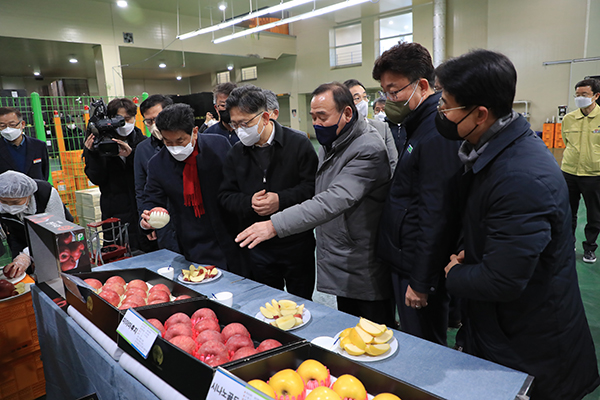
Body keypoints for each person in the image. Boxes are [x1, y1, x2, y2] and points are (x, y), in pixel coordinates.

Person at [439, 49, 600, 400]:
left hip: (532, 345)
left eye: (446, 105)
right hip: (504, 329)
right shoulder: (490, 153)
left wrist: (453, 274)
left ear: (479, 114)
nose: (441, 112)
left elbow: (503, 280)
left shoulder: (520, 176)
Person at [236, 82, 394, 326]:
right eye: (313, 117)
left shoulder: (367, 148)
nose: (317, 124)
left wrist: (274, 225)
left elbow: (330, 200)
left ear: (347, 113)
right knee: (349, 330)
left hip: (363, 262)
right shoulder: (335, 142)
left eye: (323, 116)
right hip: (343, 259)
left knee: (372, 332)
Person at [373, 42, 462, 346]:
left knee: (423, 345)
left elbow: (436, 214)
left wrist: (421, 281)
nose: (388, 100)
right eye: (385, 92)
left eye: (394, 91)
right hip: (405, 259)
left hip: (416, 267)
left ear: (422, 85)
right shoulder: (419, 125)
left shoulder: (436, 133)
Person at [219, 85, 318, 299]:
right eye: (235, 124)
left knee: (301, 303)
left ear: (265, 117)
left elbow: (312, 189)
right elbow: (225, 196)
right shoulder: (235, 153)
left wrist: (280, 200)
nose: (240, 130)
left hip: (296, 244)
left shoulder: (298, 144)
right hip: (257, 247)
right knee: (266, 304)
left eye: (245, 123)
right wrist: (248, 202)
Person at [140, 104, 248, 275]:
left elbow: (238, 183)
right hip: (192, 240)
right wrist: (148, 217)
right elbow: (152, 199)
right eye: (168, 142)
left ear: (195, 131)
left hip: (230, 232)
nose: (175, 147)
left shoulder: (219, 146)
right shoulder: (158, 164)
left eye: (180, 141)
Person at [83, 98, 147, 252]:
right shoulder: (99, 144)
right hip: (114, 214)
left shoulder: (143, 143)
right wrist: (92, 154)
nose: (124, 124)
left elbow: (148, 176)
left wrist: (131, 156)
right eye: (119, 119)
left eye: (128, 119)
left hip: (141, 211)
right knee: (118, 254)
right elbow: (97, 178)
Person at [134, 94, 180, 254]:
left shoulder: (186, 142)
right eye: (149, 121)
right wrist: (146, 220)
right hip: (163, 219)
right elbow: (141, 190)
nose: (154, 125)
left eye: (157, 118)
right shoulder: (143, 149)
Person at [561, 78, 600, 263]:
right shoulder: (569, 119)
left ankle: (590, 248)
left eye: (584, 95)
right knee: (568, 212)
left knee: (594, 214)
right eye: (577, 95)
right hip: (569, 172)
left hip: (594, 174)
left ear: (596, 96)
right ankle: (569, 243)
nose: (580, 98)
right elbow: (565, 142)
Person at [0, 171, 66, 278]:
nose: (10, 207)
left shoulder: (46, 194)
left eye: (16, 202)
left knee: (52, 275)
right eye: (4, 202)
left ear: (29, 195)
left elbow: (56, 232)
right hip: (19, 237)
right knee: (21, 274)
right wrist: (21, 258)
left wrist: (27, 256)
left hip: (51, 238)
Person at [344, 79, 398, 173]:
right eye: (357, 98)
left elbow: (393, 162)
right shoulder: (342, 131)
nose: (363, 102)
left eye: (365, 97)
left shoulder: (382, 128)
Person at [0, 107, 49, 181]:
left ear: (22, 124)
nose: (8, 129)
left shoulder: (39, 146)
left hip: (35, 191)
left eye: (12, 124)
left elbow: (44, 173)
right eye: (3, 126)